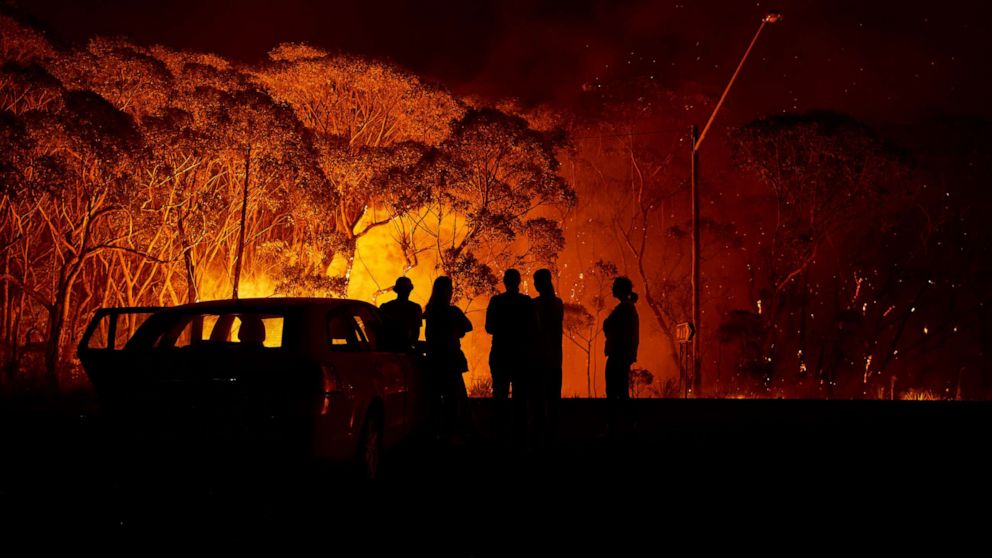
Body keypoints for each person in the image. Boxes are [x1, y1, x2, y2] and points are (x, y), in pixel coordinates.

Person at [485, 269, 536, 445]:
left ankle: (499, 434)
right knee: (520, 397)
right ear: (519, 282)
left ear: (505, 282)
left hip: (500, 353)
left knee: (500, 395)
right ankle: (519, 435)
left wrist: (504, 328)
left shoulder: (497, 301)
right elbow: (533, 328)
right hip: (521, 356)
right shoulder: (526, 302)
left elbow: (489, 328)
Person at [423, 276, 473, 442]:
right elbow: (468, 326)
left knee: (435, 398)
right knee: (455, 398)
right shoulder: (452, 312)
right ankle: (453, 433)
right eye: (450, 289)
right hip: (450, 360)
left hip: (434, 361)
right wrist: (456, 331)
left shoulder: (429, 311)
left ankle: (435, 433)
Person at [602, 276, 639, 435]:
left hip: (618, 354)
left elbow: (609, 325)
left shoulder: (624, 308)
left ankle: (615, 427)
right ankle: (627, 426)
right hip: (622, 354)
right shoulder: (628, 307)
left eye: (614, 286)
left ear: (620, 290)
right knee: (621, 391)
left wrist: (607, 325)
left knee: (614, 392)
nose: (612, 289)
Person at [532, 268, 563, 443]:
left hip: (538, 361)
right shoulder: (558, 303)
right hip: (555, 361)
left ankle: (539, 438)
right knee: (553, 401)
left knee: (538, 402)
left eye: (536, 281)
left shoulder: (534, 305)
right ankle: (553, 438)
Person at [379, 276, 423, 351]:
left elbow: (380, 330)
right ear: (410, 290)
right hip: (406, 349)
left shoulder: (385, 307)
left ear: (397, 290)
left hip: (388, 348)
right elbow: (416, 333)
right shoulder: (415, 308)